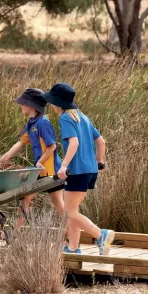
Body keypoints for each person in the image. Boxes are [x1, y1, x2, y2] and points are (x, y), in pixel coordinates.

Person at [42, 82, 114, 255]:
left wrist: (64, 166)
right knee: (72, 210)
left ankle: (100, 235)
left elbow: (74, 143)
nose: (50, 105)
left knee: (68, 212)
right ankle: (73, 247)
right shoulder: (82, 117)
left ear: (57, 103)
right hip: (89, 171)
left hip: (77, 170)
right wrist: (99, 161)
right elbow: (101, 141)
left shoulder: (65, 118)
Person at [0, 88, 64, 227]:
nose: (20, 106)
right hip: (40, 170)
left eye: (22, 103)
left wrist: (40, 162)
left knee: (56, 203)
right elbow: (20, 144)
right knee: (29, 200)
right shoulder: (31, 123)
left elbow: (52, 146)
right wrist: (1, 161)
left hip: (49, 170)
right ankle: (16, 231)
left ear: (31, 105)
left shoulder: (43, 123)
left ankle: (70, 236)